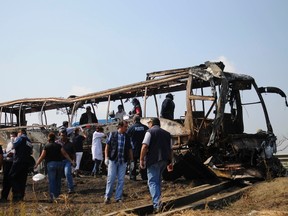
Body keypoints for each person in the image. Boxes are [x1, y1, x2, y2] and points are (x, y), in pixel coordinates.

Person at [140, 118, 173, 213]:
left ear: (152, 124)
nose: (148, 125)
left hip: (153, 160)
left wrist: (142, 159)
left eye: (149, 123)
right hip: (164, 160)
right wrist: (170, 162)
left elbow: (145, 146)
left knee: (152, 182)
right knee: (158, 181)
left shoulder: (149, 132)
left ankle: (157, 205)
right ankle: (159, 202)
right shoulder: (167, 134)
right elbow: (171, 149)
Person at [34, 132, 76, 201]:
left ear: (48, 139)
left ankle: (53, 197)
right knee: (58, 180)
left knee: (52, 181)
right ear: (55, 138)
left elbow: (42, 156)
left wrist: (37, 164)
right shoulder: (59, 146)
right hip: (59, 164)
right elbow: (65, 154)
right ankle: (57, 195)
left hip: (51, 165)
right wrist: (72, 161)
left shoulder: (46, 146)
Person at [104, 120, 134, 204]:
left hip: (122, 161)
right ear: (120, 127)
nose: (126, 128)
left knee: (121, 180)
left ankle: (118, 197)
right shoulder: (112, 135)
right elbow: (107, 147)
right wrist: (106, 158)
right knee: (111, 178)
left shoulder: (127, 136)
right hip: (113, 160)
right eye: (125, 127)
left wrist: (131, 161)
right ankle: (107, 196)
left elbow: (130, 149)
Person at [9, 129, 33, 201]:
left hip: (18, 160)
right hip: (26, 162)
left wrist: (13, 140)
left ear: (21, 132)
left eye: (18, 133)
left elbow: (14, 145)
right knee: (22, 179)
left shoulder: (20, 138)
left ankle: (18, 191)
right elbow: (31, 151)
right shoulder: (28, 140)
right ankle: (21, 196)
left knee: (11, 176)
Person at [127, 115, 148, 181]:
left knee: (133, 162)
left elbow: (126, 137)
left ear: (134, 120)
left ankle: (133, 177)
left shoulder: (131, 128)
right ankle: (144, 176)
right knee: (143, 162)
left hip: (134, 148)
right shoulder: (145, 127)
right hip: (143, 148)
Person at [56, 129, 76, 194]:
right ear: (60, 135)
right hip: (59, 161)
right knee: (58, 175)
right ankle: (58, 189)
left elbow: (73, 154)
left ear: (66, 135)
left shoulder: (70, 144)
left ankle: (71, 188)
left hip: (67, 161)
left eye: (64, 135)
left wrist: (74, 161)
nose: (63, 137)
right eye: (62, 135)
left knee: (67, 173)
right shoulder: (57, 143)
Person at [0, 131, 17, 202]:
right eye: (11, 136)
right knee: (6, 180)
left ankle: (14, 197)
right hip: (7, 163)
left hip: (12, 163)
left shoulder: (16, 143)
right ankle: (4, 197)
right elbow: (6, 153)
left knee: (12, 180)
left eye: (13, 136)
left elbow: (13, 153)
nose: (12, 137)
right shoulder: (10, 143)